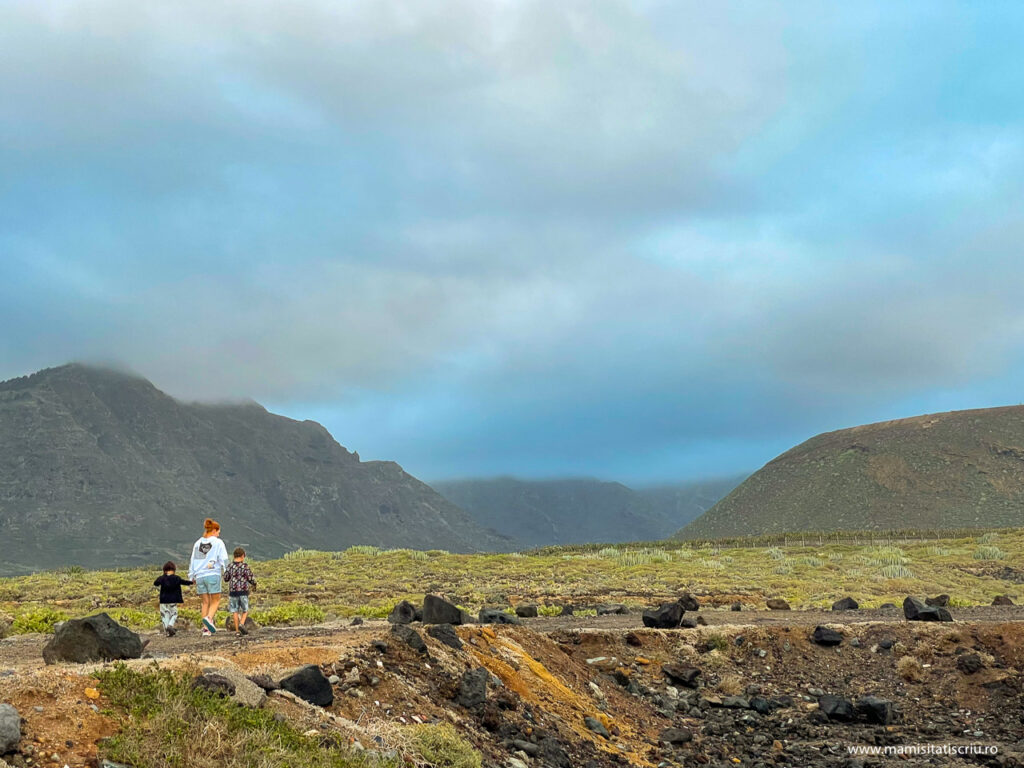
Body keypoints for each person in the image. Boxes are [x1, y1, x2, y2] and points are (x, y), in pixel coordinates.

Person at [188, 518, 228, 636]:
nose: (219, 534)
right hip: (212, 574)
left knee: (205, 602)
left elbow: (193, 560)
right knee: (215, 600)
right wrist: (227, 572)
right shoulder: (218, 542)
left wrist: (191, 576)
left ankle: (206, 629)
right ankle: (209, 618)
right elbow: (224, 559)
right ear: (214, 530)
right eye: (218, 531)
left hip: (200, 576)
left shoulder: (197, 543)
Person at [223, 547, 257, 635]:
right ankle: (242, 624)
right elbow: (251, 578)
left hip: (233, 592)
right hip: (243, 591)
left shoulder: (230, 566)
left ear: (234, 556)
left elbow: (226, 578)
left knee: (235, 610)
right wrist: (254, 583)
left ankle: (237, 631)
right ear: (242, 556)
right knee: (245, 609)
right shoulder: (245, 566)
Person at [153, 561, 192, 637]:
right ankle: (170, 626)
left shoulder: (162, 578)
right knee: (174, 614)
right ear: (174, 569)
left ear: (164, 570)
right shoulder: (176, 578)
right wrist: (192, 582)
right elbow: (184, 582)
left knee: (165, 615)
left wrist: (162, 578)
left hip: (163, 600)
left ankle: (167, 631)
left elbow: (156, 583)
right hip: (173, 600)